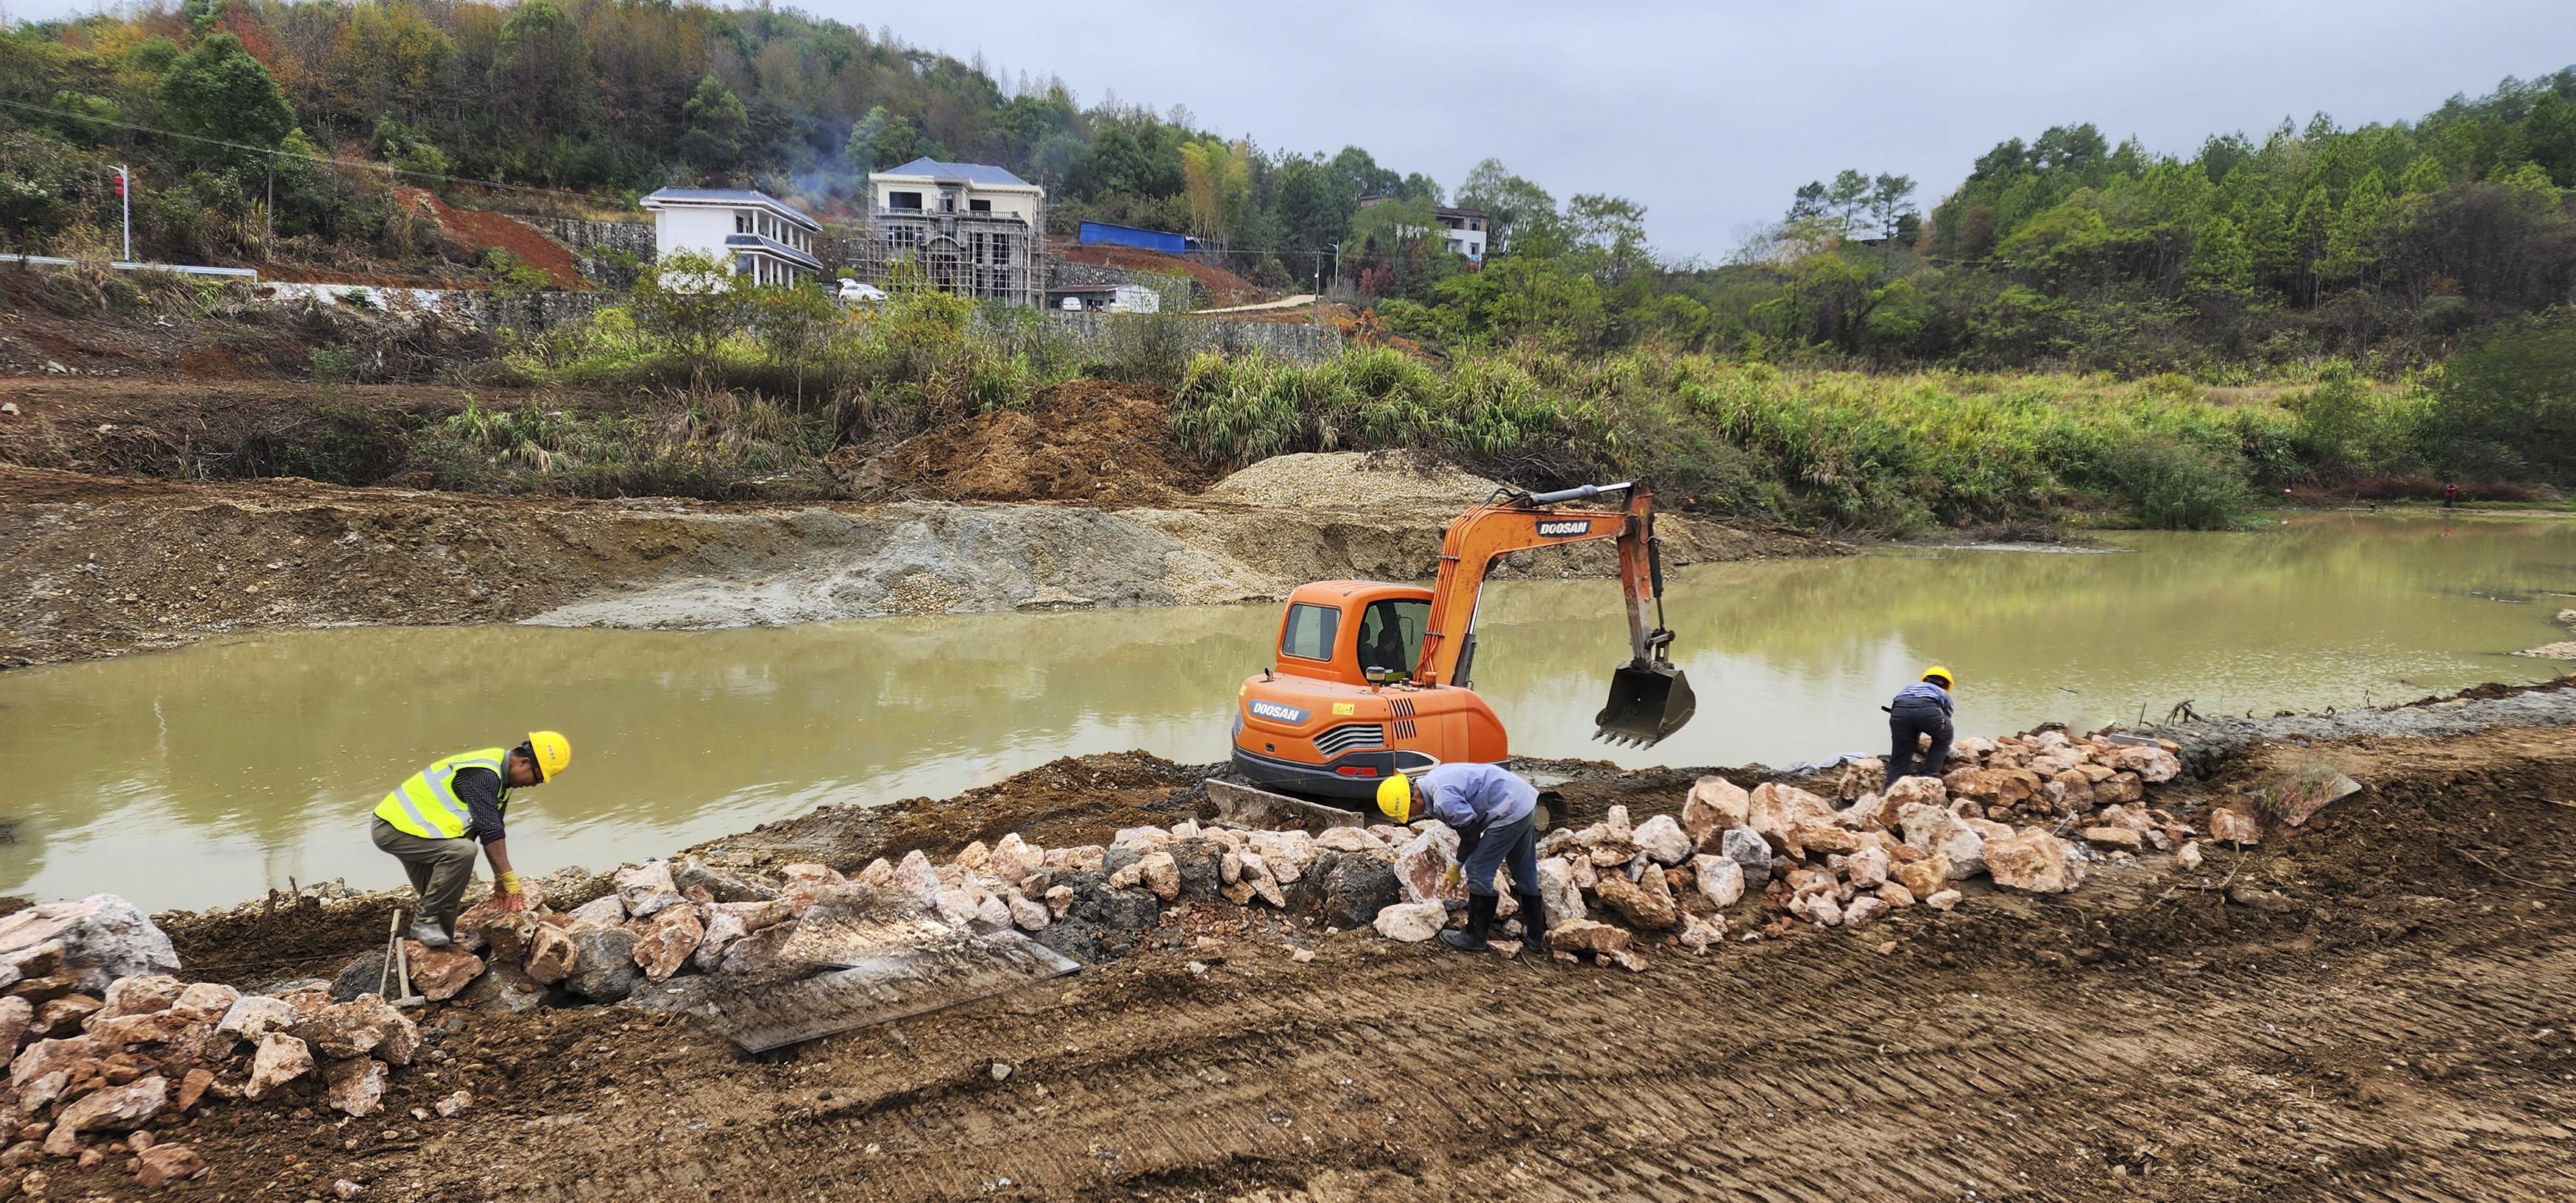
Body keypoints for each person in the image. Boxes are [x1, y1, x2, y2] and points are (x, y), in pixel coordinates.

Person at [371, 732, 570, 948]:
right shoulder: (484, 773)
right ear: (524, 763)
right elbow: (489, 830)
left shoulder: (503, 782)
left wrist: (499, 880)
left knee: (449, 893)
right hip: (394, 828)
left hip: (423, 833)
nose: (534, 785)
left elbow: (492, 832)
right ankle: (424, 921)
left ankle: (443, 948)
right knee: (463, 852)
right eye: (537, 778)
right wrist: (510, 879)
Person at [1376, 761, 1544, 953]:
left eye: (1408, 813)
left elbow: (1471, 835)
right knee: (1522, 865)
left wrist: (1456, 867)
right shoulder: (1431, 782)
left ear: (1414, 800)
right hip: (1522, 800)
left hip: (1510, 810)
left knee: (1477, 869)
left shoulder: (1444, 799)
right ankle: (1535, 935)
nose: (1411, 817)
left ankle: (1475, 936)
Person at [1883, 667, 1955, 789]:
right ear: (1947, 685)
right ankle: (1928, 778)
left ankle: (1888, 792)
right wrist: (1945, 745)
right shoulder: (1944, 693)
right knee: (1945, 735)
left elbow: (1901, 703)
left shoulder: (1911, 686)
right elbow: (1945, 719)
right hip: (1929, 711)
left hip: (1899, 714)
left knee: (1900, 757)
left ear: (1925, 679)